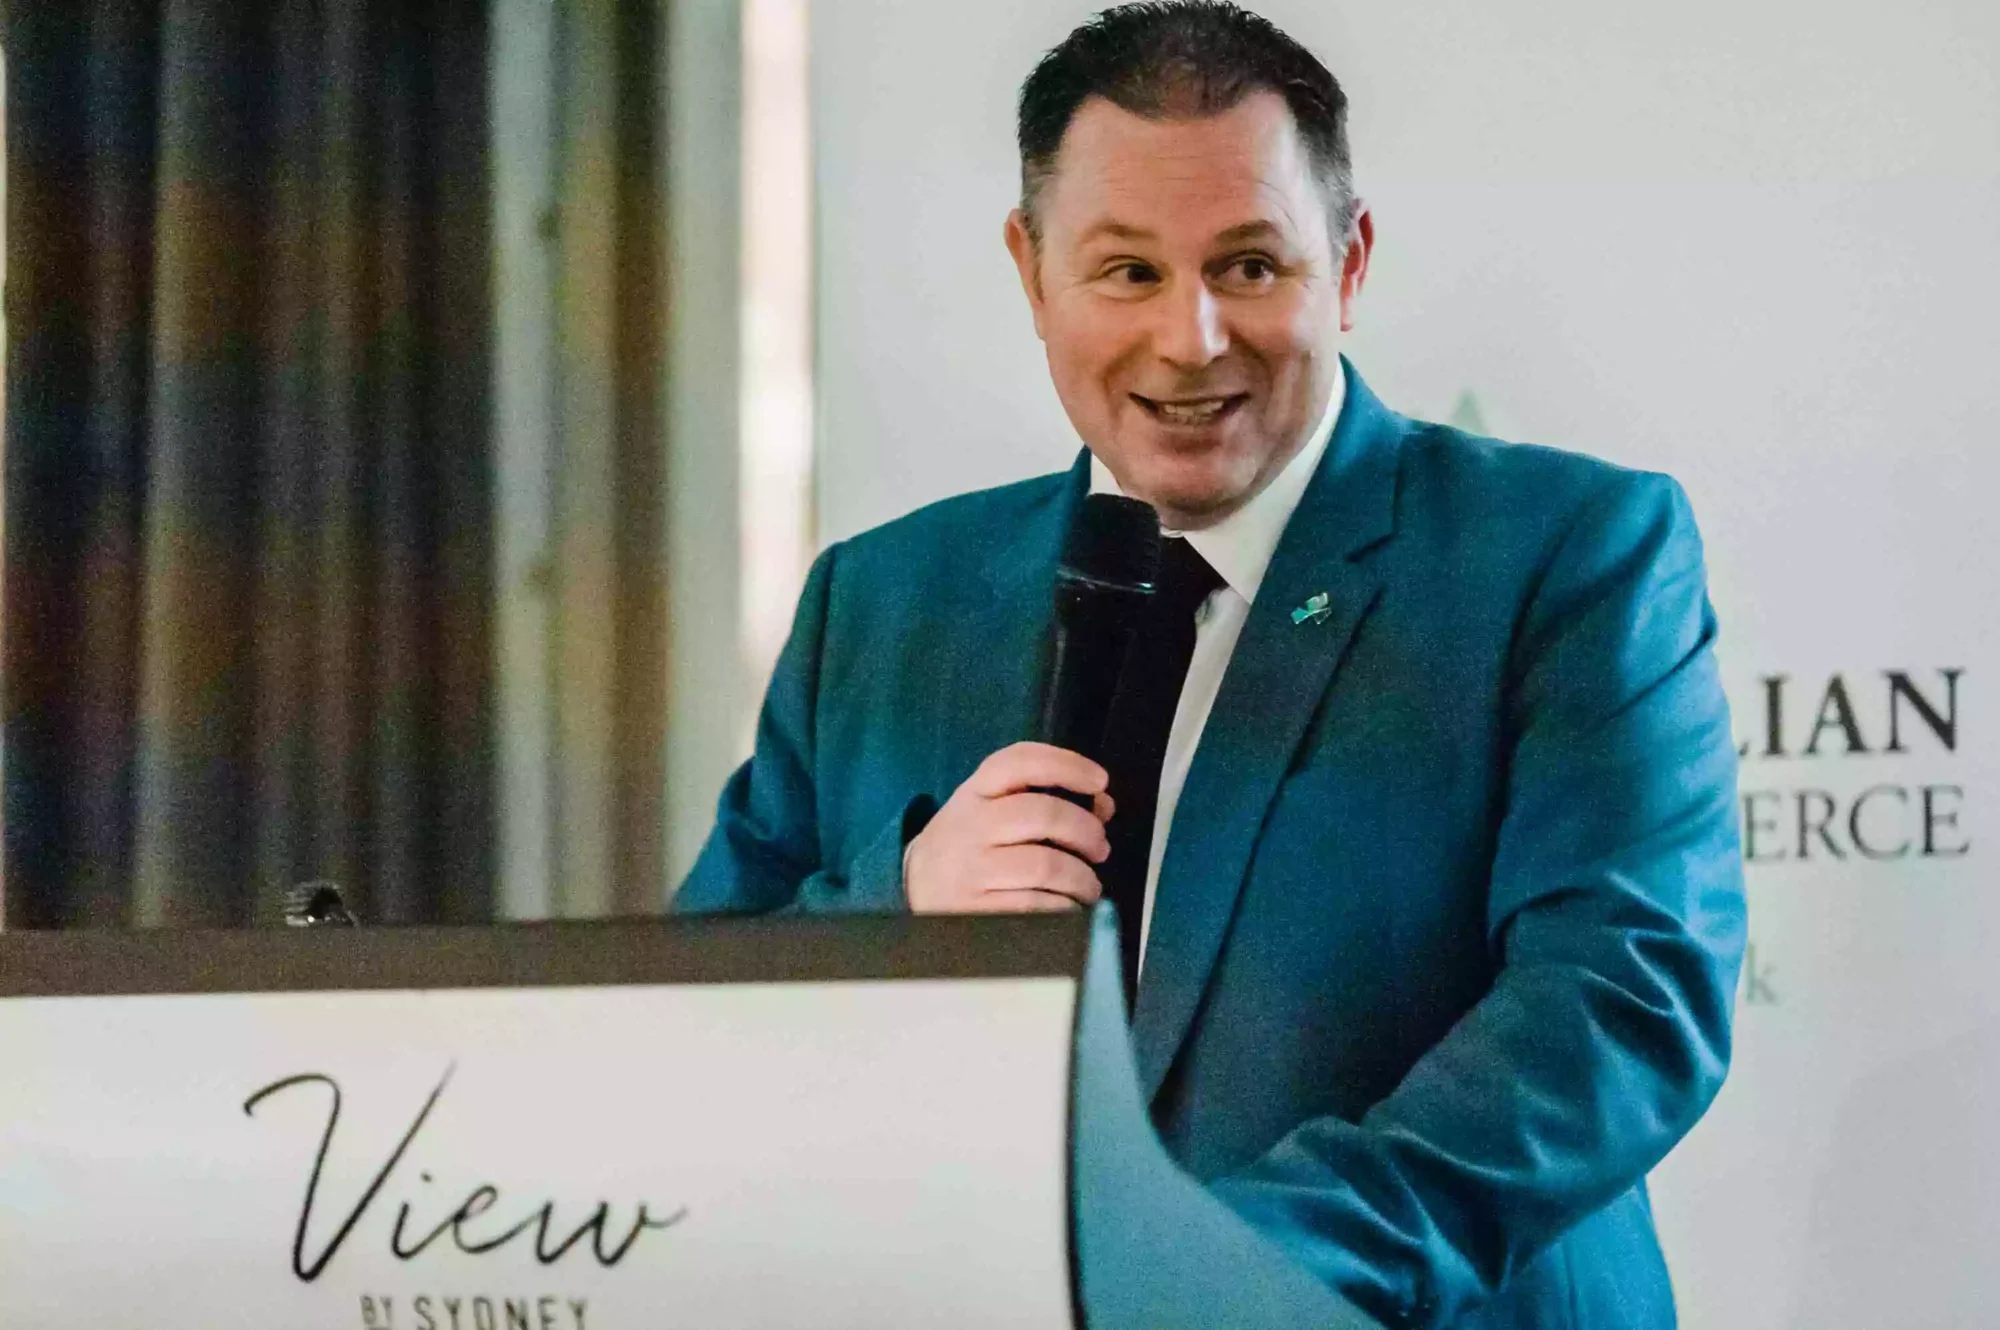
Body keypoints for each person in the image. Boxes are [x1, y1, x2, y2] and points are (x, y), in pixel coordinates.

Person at [676, 4, 1746, 1326]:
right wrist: (901, 900)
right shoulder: (883, 599)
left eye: (1248, 267)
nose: (1190, 339)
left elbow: (1620, 1002)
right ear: (1031, 269)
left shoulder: (1568, 552)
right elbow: (692, 1013)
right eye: (1126, 273)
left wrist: (1216, 1269)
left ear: (1347, 264)